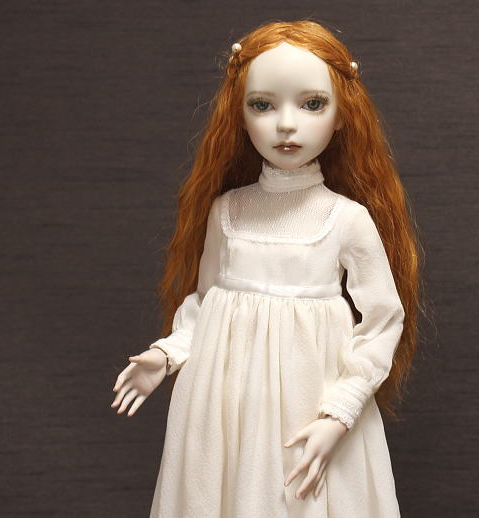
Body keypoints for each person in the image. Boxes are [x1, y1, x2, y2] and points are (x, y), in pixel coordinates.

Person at [111, 20, 422, 518]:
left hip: (309, 400)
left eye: (312, 104)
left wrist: (340, 413)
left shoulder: (345, 218)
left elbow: (384, 319)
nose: (286, 124)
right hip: (222, 403)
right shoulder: (228, 210)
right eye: (262, 105)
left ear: (343, 114)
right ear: (239, 114)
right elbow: (205, 301)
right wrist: (166, 354)